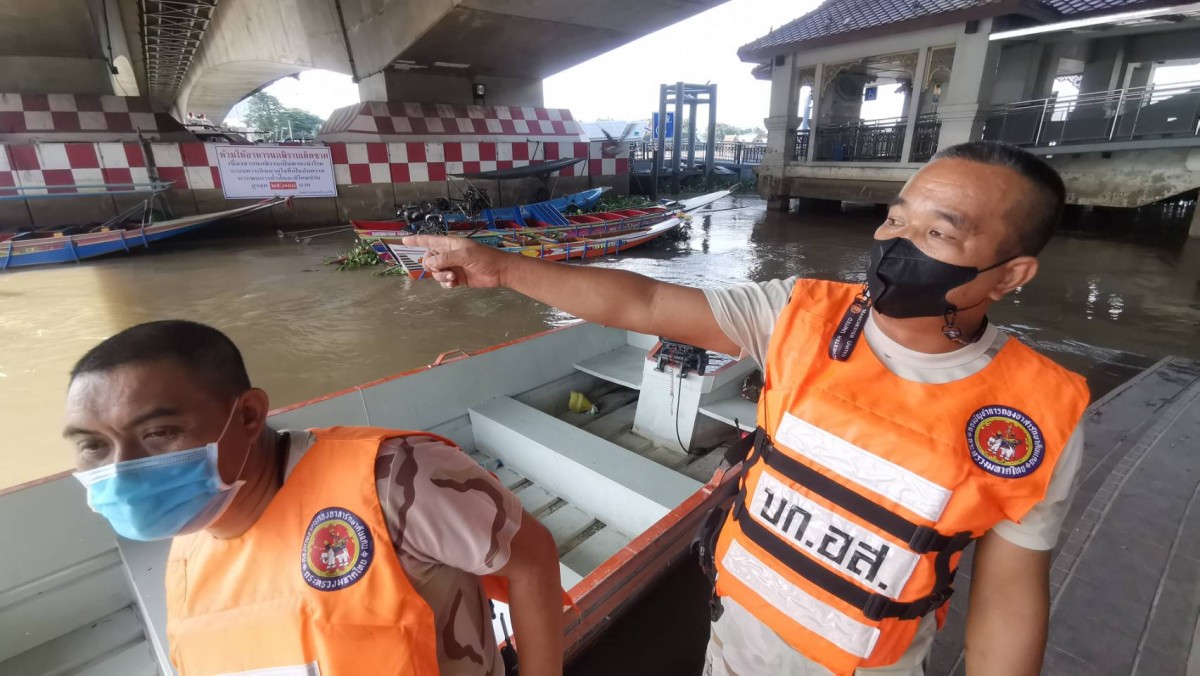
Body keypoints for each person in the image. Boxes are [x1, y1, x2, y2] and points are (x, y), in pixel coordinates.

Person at [404, 141, 1088, 676]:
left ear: (1012, 274)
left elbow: (1008, 601)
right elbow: (640, 303)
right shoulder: (799, 312)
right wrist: (500, 268)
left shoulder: (1036, 413)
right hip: (734, 640)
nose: (896, 243)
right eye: (895, 217)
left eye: (938, 234)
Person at [63, 320, 564, 676]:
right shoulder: (189, 544)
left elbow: (532, 560)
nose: (121, 468)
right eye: (93, 446)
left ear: (248, 416)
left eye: (159, 433)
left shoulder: (393, 478)